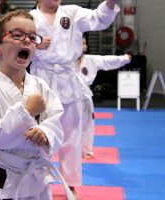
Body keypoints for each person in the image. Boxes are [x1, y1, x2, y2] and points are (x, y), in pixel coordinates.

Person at [0, 10, 67, 200]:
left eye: (33, 37)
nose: (27, 41)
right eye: (17, 35)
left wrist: (45, 133)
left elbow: (56, 118)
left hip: (37, 175)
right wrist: (26, 111)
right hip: (4, 176)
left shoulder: (40, 86)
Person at [29, 0, 120, 199]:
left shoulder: (73, 12)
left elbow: (99, 19)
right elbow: (12, 41)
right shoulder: (29, 18)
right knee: (38, 138)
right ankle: (36, 184)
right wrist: (34, 43)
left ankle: (70, 185)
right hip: (40, 82)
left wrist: (111, 2)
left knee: (71, 138)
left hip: (68, 81)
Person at [76, 35, 131, 159]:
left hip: (85, 96)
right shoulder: (64, 60)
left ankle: (86, 150)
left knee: (88, 123)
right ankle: (64, 149)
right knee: (66, 124)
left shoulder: (90, 60)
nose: (85, 46)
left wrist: (125, 59)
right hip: (67, 96)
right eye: (82, 43)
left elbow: (107, 60)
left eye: (85, 43)